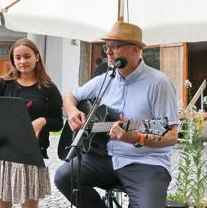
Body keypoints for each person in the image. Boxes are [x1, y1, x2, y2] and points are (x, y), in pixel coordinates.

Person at [54, 21, 179, 208]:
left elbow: (170, 135)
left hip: (146, 162)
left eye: (116, 46)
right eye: (107, 47)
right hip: (105, 158)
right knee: (64, 177)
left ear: (136, 49)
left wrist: (136, 137)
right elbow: (70, 96)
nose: (109, 52)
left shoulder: (159, 83)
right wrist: (73, 112)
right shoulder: (105, 79)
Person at [0, 38, 63, 208]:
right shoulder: (2, 84)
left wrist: (43, 120)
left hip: (32, 154)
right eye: (18, 57)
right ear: (13, 60)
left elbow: (58, 122)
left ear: (37, 57)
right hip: (4, 153)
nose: (22, 61)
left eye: (27, 56)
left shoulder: (48, 88)